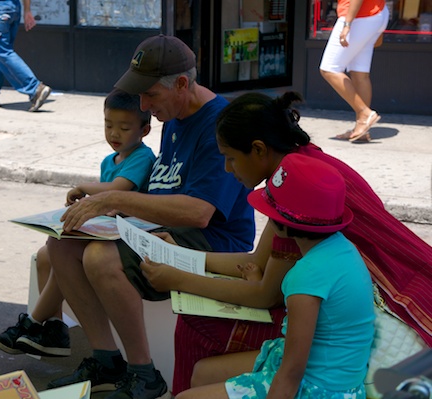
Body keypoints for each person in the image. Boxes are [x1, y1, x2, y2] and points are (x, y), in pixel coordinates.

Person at [140, 91, 432, 394]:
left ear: (258, 150)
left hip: (356, 334)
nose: (228, 169)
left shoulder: (295, 192)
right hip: (343, 325)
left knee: (196, 325)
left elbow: (265, 295)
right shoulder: (300, 171)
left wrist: (180, 279)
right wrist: (179, 255)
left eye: (230, 158)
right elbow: (257, 263)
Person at [44, 34, 255, 399]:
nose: (143, 104)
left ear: (182, 84)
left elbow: (199, 212)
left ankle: (144, 373)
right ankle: (106, 360)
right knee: (61, 243)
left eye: (151, 94)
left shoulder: (218, 123)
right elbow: (162, 193)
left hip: (212, 243)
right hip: (163, 230)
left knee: (99, 256)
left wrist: (116, 201)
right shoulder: (173, 116)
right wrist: (106, 201)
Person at [175, 153, 375, 399]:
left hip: (316, 389)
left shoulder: (305, 276)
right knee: (202, 372)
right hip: (338, 381)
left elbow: (292, 372)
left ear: (283, 223)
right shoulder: (340, 249)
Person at [0, 88, 156, 358]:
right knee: (46, 255)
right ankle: (54, 329)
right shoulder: (108, 160)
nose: (114, 133)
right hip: (107, 228)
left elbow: (117, 189)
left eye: (124, 128)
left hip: (127, 234)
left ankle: (32, 322)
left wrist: (84, 189)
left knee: (62, 251)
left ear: (144, 130)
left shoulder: (143, 158)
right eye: (108, 125)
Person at [320, 0, 389, 142]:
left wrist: (347, 24)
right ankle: (362, 128)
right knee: (359, 73)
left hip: (359, 16)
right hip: (376, 13)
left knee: (329, 68)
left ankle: (364, 113)